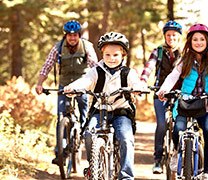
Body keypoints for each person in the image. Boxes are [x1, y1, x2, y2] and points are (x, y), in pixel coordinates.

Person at [64, 32, 148, 179]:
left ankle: (126, 176)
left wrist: (139, 88)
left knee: (125, 138)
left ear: (123, 55)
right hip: (99, 110)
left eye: (115, 55)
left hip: (121, 111)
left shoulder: (127, 73)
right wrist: (72, 87)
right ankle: (94, 165)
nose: (111, 59)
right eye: (107, 55)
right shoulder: (96, 70)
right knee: (89, 134)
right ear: (102, 53)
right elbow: (85, 80)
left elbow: (136, 82)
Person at [157, 23, 208, 180]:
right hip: (184, 103)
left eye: (202, 39)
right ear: (189, 41)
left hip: (206, 104)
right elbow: (172, 77)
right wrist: (163, 90)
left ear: (207, 41)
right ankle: (177, 152)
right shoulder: (184, 61)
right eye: (195, 39)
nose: (198, 42)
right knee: (178, 129)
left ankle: (207, 171)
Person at [35, 20, 98, 165]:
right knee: (61, 116)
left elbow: (94, 66)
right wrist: (39, 83)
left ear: (79, 35)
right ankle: (60, 152)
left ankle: (83, 137)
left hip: (81, 84)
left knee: (84, 114)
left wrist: (98, 84)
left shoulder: (87, 46)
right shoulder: (58, 47)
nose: (72, 38)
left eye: (75, 35)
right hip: (64, 85)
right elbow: (47, 66)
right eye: (69, 35)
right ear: (65, 36)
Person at [140, 20, 182, 174]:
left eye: (174, 35)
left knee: (179, 125)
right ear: (165, 36)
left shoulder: (185, 53)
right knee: (162, 124)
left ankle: (179, 154)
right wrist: (143, 81)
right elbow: (148, 68)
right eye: (168, 35)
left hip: (179, 94)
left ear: (179, 37)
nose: (171, 38)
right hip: (160, 93)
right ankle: (157, 159)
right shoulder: (157, 51)